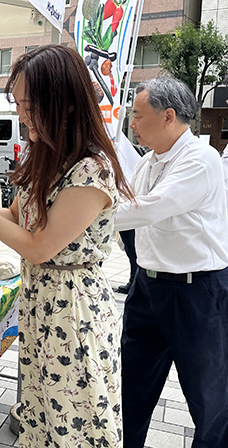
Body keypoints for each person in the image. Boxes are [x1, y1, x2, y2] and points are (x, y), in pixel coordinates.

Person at [0, 45, 134, 447]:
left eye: (29, 104)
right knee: (41, 415)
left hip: (74, 313)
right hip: (42, 305)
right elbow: (13, 218)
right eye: (19, 103)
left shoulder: (92, 169)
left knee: (75, 420)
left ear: (65, 103)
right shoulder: (47, 157)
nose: (21, 115)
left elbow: (40, 247)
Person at [114, 77, 228, 448]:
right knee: (131, 386)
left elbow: (148, 208)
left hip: (196, 293)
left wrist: (77, 214)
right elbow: (125, 201)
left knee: (207, 395)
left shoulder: (201, 159)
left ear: (168, 117)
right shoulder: (148, 161)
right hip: (147, 288)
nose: (132, 123)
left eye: (137, 115)